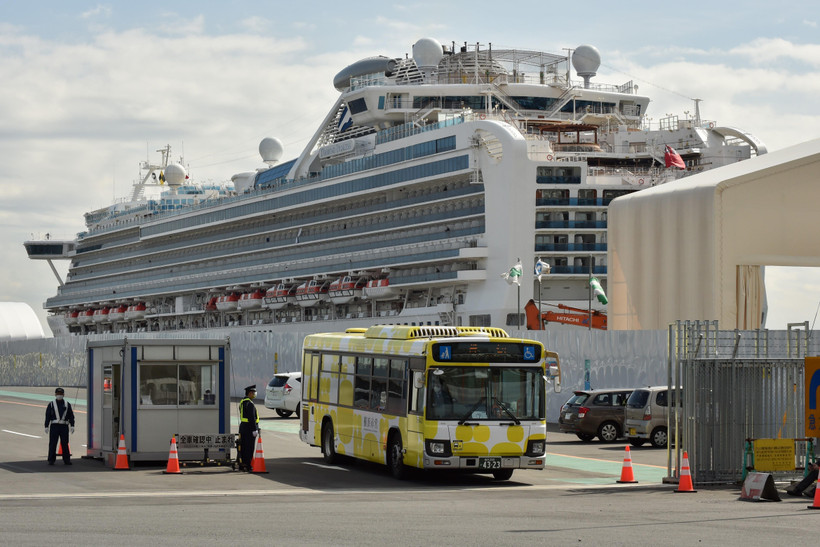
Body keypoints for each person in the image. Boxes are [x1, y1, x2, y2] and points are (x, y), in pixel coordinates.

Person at [44, 387, 75, 466]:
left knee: (65, 443)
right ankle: (51, 460)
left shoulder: (67, 404)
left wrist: (72, 425)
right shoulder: (51, 404)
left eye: (61, 394)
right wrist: (46, 425)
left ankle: (66, 460)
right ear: (55, 394)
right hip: (54, 426)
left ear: (63, 395)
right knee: (53, 443)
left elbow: (71, 416)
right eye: (58, 394)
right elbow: (47, 415)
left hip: (64, 426)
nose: (59, 395)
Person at [238, 385, 260, 471]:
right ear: (250, 393)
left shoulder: (242, 402)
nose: (254, 394)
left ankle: (242, 463)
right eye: (253, 393)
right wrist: (254, 429)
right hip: (249, 428)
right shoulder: (250, 404)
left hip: (243, 427)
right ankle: (248, 465)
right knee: (249, 447)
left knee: (243, 447)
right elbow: (252, 418)